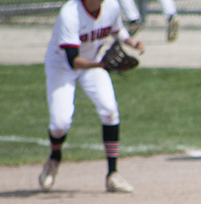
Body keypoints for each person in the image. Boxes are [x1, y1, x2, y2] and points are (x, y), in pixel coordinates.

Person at [39, 0, 145, 193]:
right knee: (60, 124)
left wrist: (131, 42)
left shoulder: (111, 6)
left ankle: (112, 175)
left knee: (110, 110)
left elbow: (117, 29)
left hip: (93, 64)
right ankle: (55, 158)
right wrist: (103, 66)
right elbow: (73, 61)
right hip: (61, 67)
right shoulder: (70, 14)